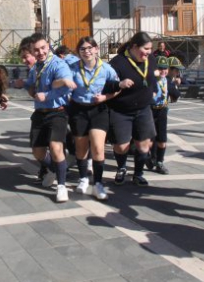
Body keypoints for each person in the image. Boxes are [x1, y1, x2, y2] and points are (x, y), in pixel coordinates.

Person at [65, 36, 122, 201]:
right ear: (78, 52)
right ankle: (83, 178)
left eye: (90, 48)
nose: (86, 51)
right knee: (81, 147)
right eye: (82, 49)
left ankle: (98, 183)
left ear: (96, 49)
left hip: (99, 110)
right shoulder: (72, 68)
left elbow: (118, 88)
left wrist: (105, 97)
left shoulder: (106, 68)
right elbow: (65, 86)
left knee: (98, 147)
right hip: (78, 110)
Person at [25, 33, 73, 202]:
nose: (40, 52)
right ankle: (55, 168)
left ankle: (62, 186)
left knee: (55, 147)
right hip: (40, 113)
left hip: (57, 112)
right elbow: (32, 85)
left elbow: (67, 85)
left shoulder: (58, 64)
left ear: (49, 45)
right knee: (37, 152)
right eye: (36, 50)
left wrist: (47, 95)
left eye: (43, 48)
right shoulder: (35, 67)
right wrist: (25, 86)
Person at [107, 32, 158, 186]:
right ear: (134, 47)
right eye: (146, 49)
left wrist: (154, 89)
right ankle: (121, 168)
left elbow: (151, 77)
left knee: (144, 145)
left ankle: (138, 174)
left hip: (143, 109)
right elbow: (106, 84)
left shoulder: (151, 59)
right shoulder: (117, 62)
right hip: (121, 110)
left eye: (150, 49)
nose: (149, 52)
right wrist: (119, 84)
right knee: (121, 146)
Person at [146, 56, 181, 175]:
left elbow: (176, 94)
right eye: (160, 68)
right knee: (149, 139)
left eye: (165, 68)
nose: (163, 71)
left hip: (162, 111)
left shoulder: (168, 81)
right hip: (150, 111)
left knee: (162, 139)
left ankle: (159, 162)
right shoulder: (150, 80)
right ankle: (149, 157)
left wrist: (175, 86)